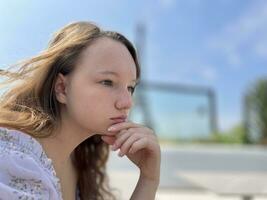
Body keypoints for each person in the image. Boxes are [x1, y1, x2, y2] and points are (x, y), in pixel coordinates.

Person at [0, 21, 161, 200]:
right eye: (107, 82)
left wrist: (149, 178)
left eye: (130, 88)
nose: (127, 102)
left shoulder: (78, 158)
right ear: (62, 88)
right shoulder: (12, 163)